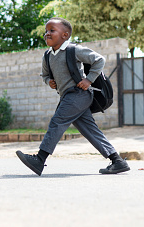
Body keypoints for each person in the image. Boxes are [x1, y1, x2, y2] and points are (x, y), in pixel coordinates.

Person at [16, 17, 130, 176]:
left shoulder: (73, 50)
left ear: (65, 35)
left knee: (58, 120)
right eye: (46, 31)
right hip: (67, 97)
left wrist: (89, 79)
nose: (47, 34)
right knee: (90, 130)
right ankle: (117, 161)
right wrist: (49, 81)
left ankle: (40, 159)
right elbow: (44, 75)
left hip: (79, 94)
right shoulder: (47, 56)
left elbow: (99, 60)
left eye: (52, 30)